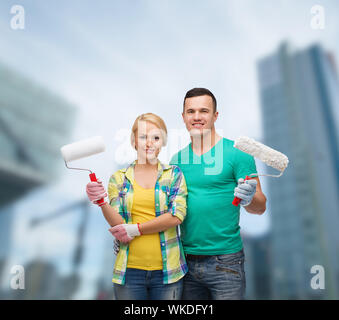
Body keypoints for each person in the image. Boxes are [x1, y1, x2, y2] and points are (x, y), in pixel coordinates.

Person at [170, 88, 267, 300]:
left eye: (203, 111)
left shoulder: (238, 153)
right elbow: (168, 210)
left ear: (215, 116)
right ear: (184, 117)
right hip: (183, 261)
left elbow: (260, 207)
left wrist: (249, 198)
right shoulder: (176, 160)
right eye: (191, 111)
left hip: (226, 262)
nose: (196, 117)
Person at [86, 113, 188, 300]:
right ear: (133, 141)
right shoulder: (119, 178)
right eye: (143, 137)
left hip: (168, 273)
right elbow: (118, 224)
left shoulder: (174, 174)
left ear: (162, 142)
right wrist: (101, 202)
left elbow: (176, 216)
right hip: (129, 272)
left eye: (156, 137)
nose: (149, 143)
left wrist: (135, 229)